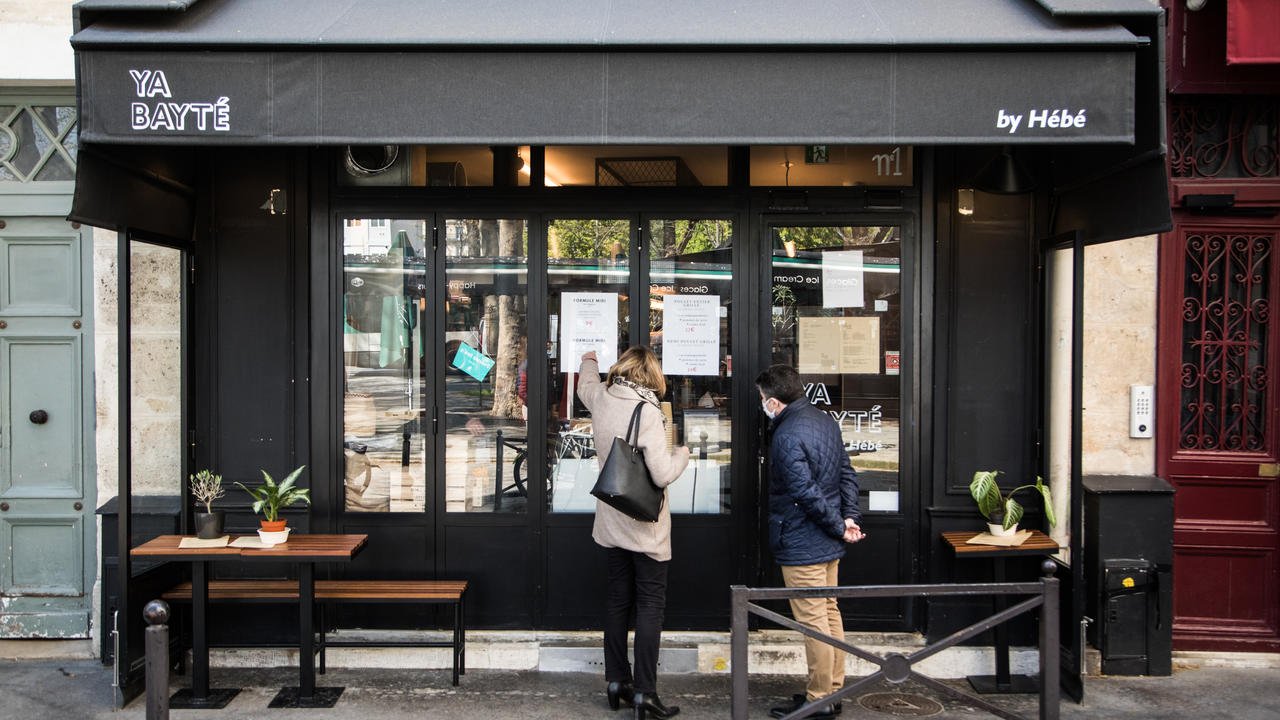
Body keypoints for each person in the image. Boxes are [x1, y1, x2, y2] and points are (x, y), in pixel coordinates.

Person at [578, 347, 691, 720]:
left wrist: (589, 358)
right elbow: (660, 474)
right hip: (645, 527)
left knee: (616, 602)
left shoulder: (602, 398)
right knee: (649, 607)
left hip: (611, 520)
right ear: (652, 376)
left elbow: (585, 385)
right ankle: (645, 691)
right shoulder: (648, 412)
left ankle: (616, 681)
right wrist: (684, 454)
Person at [756, 364, 865, 720]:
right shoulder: (824, 420)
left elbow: (803, 492)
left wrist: (839, 525)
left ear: (774, 401)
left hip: (803, 540)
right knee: (829, 611)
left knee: (814, 620)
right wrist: (849, 518)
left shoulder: (786, 434)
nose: (762, 404)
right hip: (827, 539)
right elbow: (847, 472)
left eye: (762, 399)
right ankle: (832, 690)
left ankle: (819, 697)